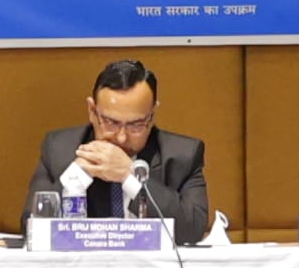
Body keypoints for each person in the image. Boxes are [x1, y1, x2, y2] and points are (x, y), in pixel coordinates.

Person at [24, 57, 213, 240]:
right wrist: (76, 175)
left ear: (151, 116)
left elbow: (192, 230)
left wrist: (128, 176)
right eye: (111, 122)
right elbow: (31, 228)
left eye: (136, 125)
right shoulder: (59, 149)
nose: (121, 137)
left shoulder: (182, 156)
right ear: (92, 111)